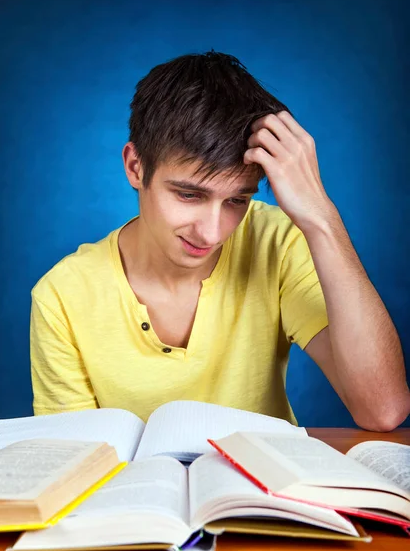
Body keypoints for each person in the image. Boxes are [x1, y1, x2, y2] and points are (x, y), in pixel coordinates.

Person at [30, 51, 410, 431]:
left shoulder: (277, 243)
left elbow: (382, 410)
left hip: (258, 489)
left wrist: (322, 219)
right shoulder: (62, 296)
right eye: (189, 195)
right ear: (135, 167)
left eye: (236, 201)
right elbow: (76, 459)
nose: (212, 233)